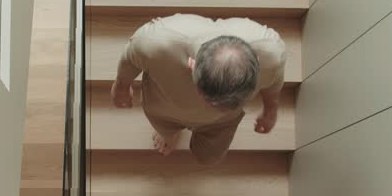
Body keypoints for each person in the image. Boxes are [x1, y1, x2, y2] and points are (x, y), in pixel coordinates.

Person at [111, 13, 287, 165]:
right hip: (164, 110)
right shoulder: (156, 44)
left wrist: (271, 109)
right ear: (192, 65)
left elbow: (274, 80)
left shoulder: (271, 56)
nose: (214, 110)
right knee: (166, 128)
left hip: (223, 123)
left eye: (231, 104)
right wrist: (121, 86)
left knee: (209, 158)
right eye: (211, 101)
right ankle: (169, 134)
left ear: (258, 62)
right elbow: (130, 56)